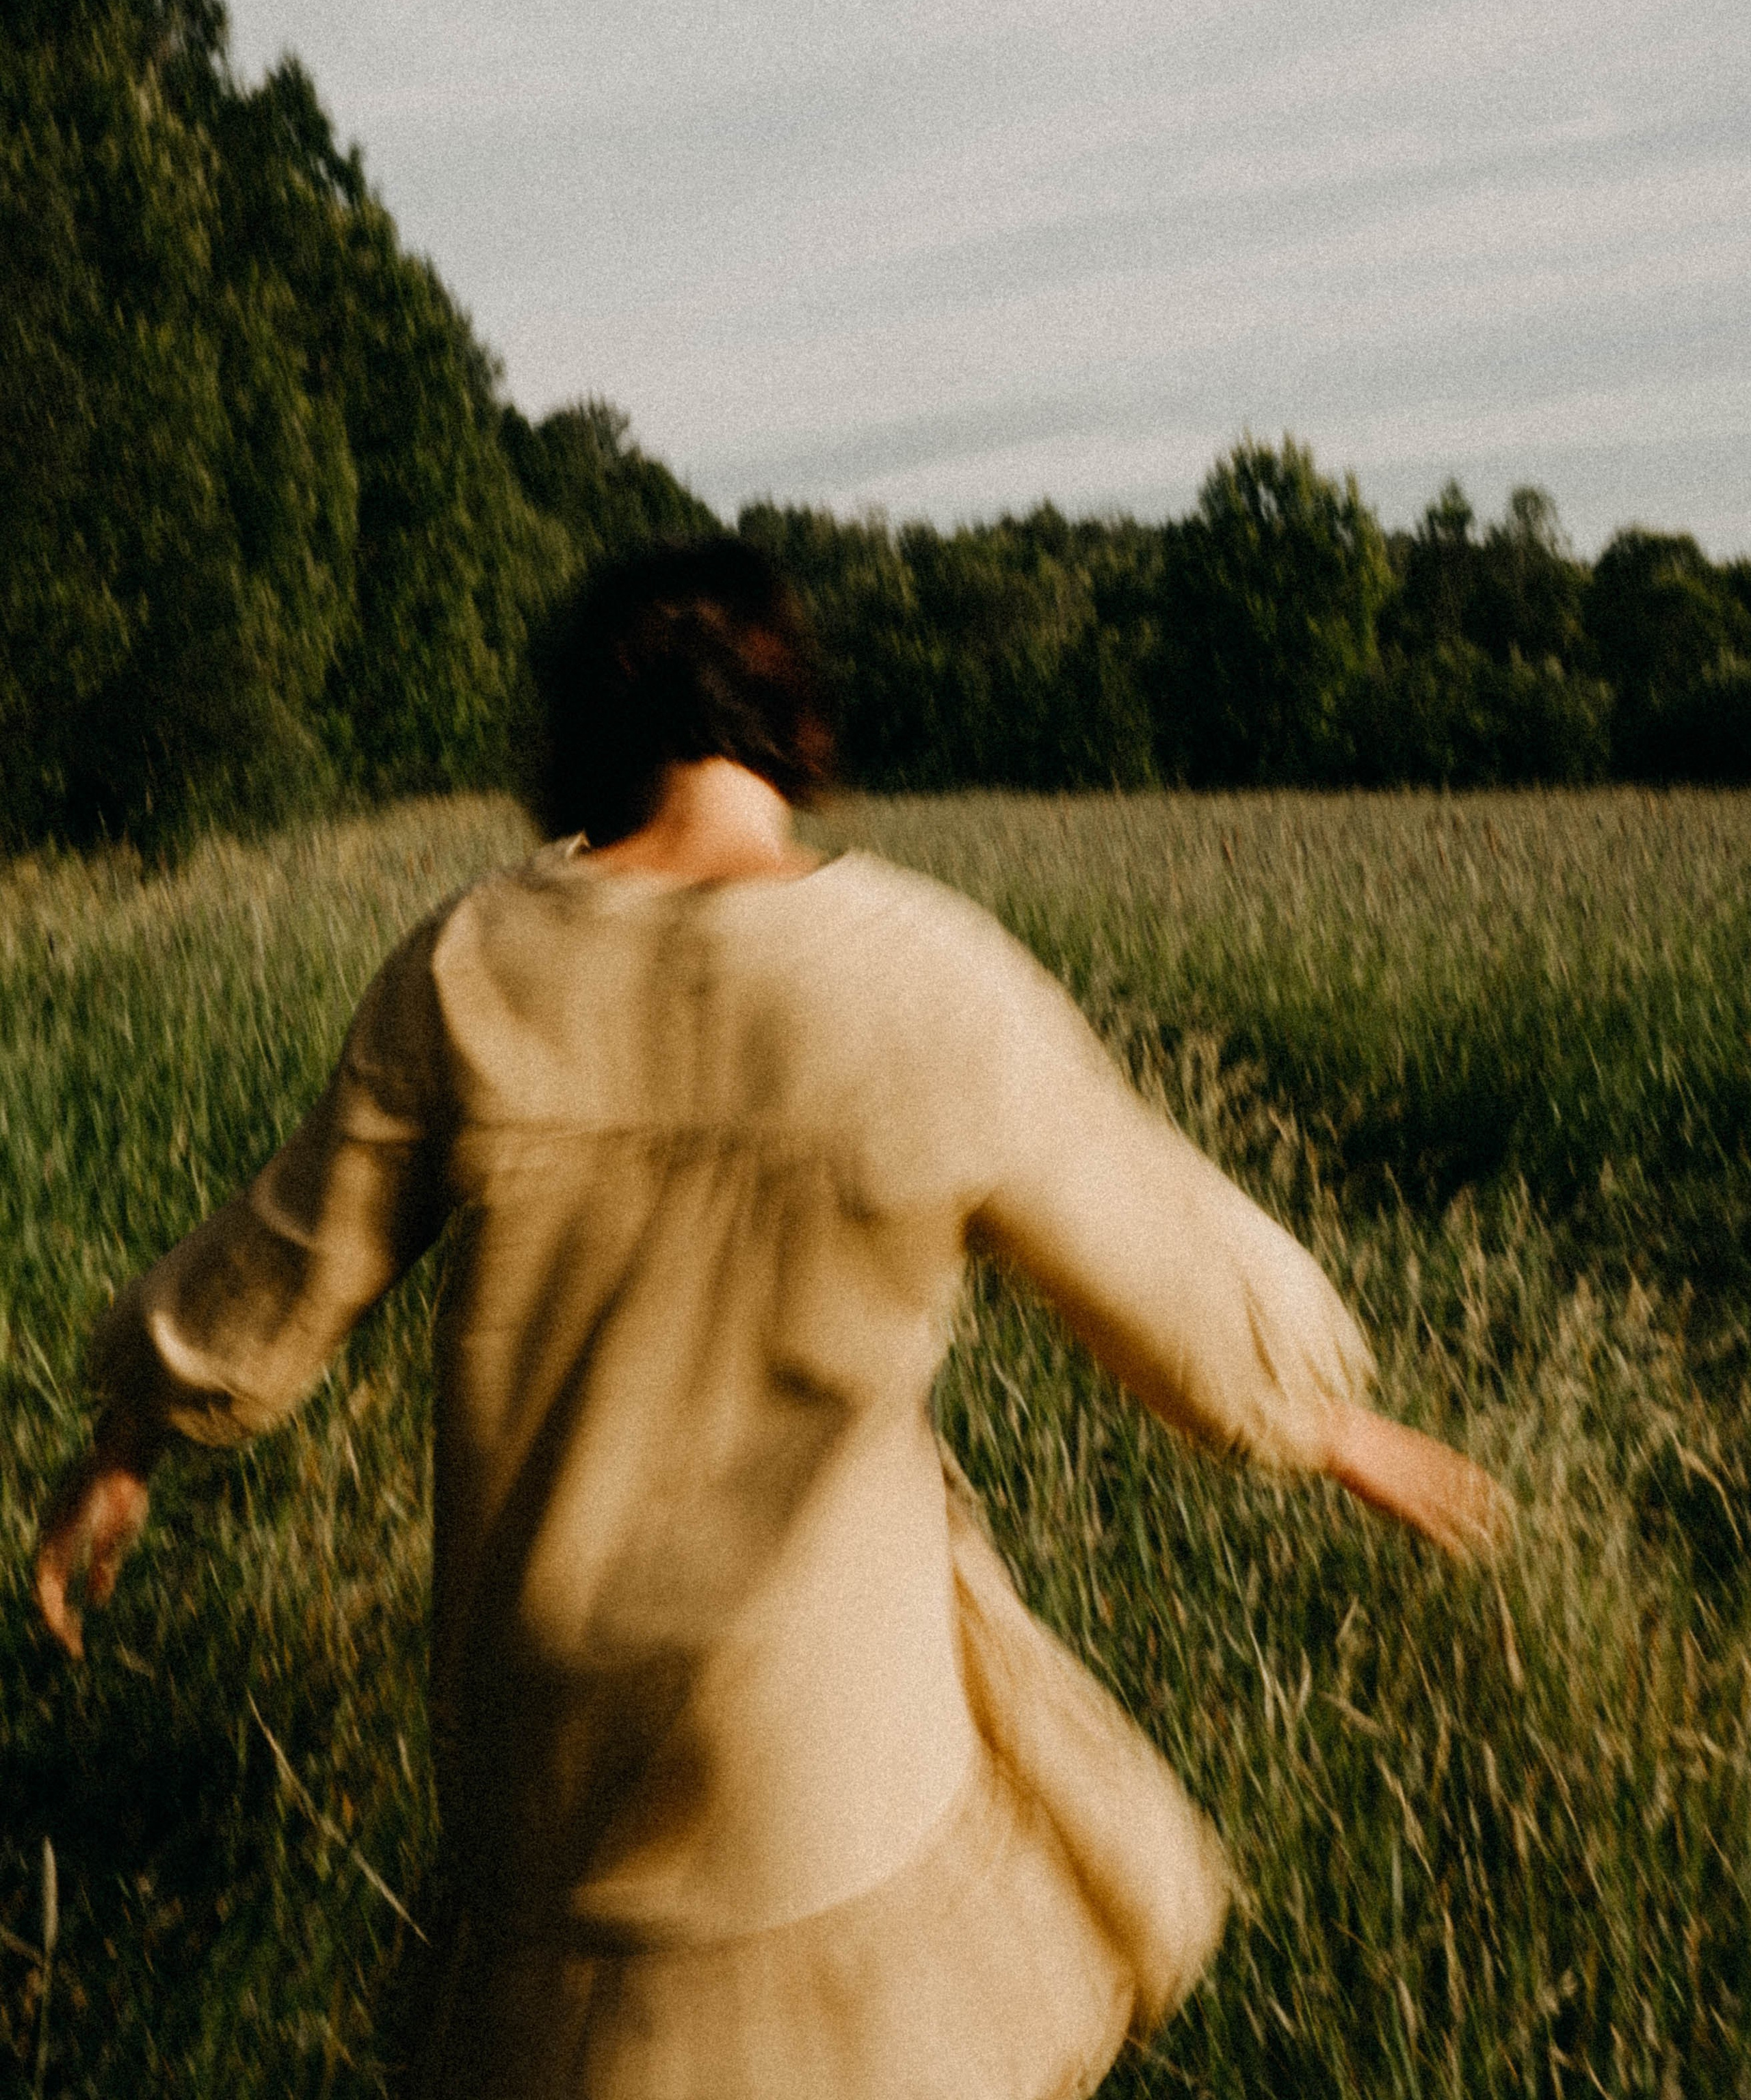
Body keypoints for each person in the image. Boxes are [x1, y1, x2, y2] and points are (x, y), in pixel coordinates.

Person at [36, 537, 1504, 2100]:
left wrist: (125, 1446)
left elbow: (283, 1254)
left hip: (545, 1733)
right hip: (816, 1726)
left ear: (581, 732)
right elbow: (1155, 1257)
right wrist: (1329, 1428)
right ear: (788, 714)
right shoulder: (928, 977)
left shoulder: (472, 962)